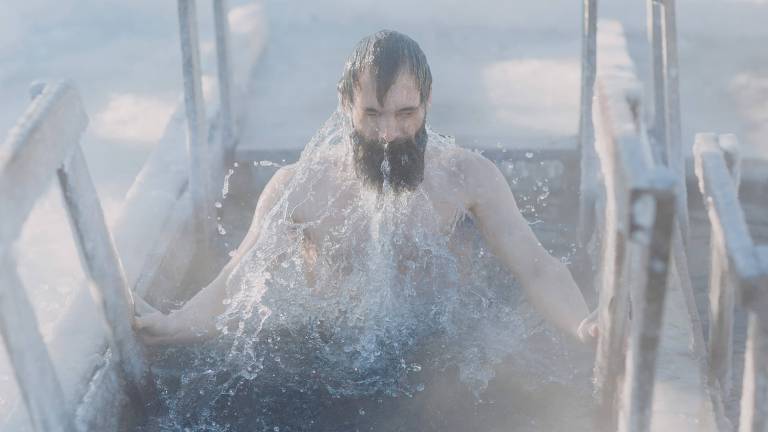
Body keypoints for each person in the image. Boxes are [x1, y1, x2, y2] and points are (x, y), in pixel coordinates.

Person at [134, 29, 597, 350]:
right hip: (336, 351)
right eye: (371, 114)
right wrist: (176, 326)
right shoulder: (300, 188)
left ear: (428, 103)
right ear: (345, 105)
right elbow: (238, 278)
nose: (389, 133)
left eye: (405, 113)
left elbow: (537, 268)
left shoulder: (467, 178)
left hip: (447, 349)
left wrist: (582, 327)